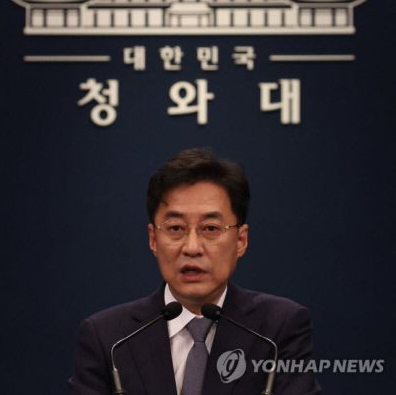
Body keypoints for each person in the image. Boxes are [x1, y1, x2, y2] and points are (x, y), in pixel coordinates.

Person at [70, 148, 321, 394]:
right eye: (175, 228)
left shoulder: (277, 330)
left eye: (210, 228)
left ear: (241, 240)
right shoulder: (109, 338)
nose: (192, 248)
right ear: (153, 239)